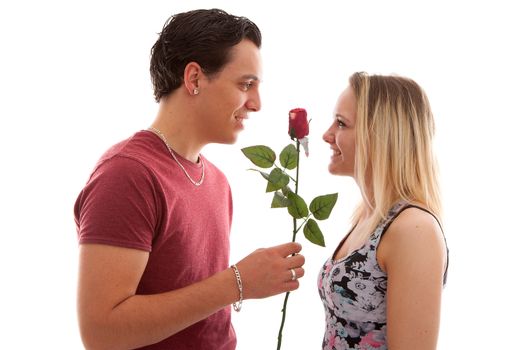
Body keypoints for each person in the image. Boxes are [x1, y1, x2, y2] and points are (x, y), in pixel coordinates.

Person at [74, 9, 305, 350]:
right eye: (245, 84)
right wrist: (238, 282)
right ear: (194, 79)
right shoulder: (127, 174)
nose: (256, 104)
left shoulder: (217, 181)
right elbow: (102, 333)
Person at [318, 72, 449, 349]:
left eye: (341, 123)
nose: (326, 135)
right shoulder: (368, 217)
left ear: (379, 134)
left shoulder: (414, 229)